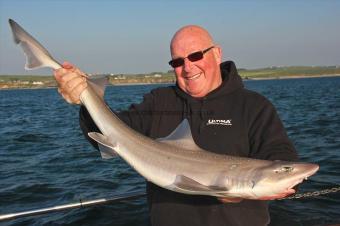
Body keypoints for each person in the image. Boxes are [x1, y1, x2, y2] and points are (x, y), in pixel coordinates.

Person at [54, 25, 298, 226]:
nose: (188, 67)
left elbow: (280, 157)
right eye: (177, 62)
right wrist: (85, 99)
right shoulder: (159, 101)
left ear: (217, 53)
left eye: (195, 56)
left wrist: (241, 191)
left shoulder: (254, 106)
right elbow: (106, 136)